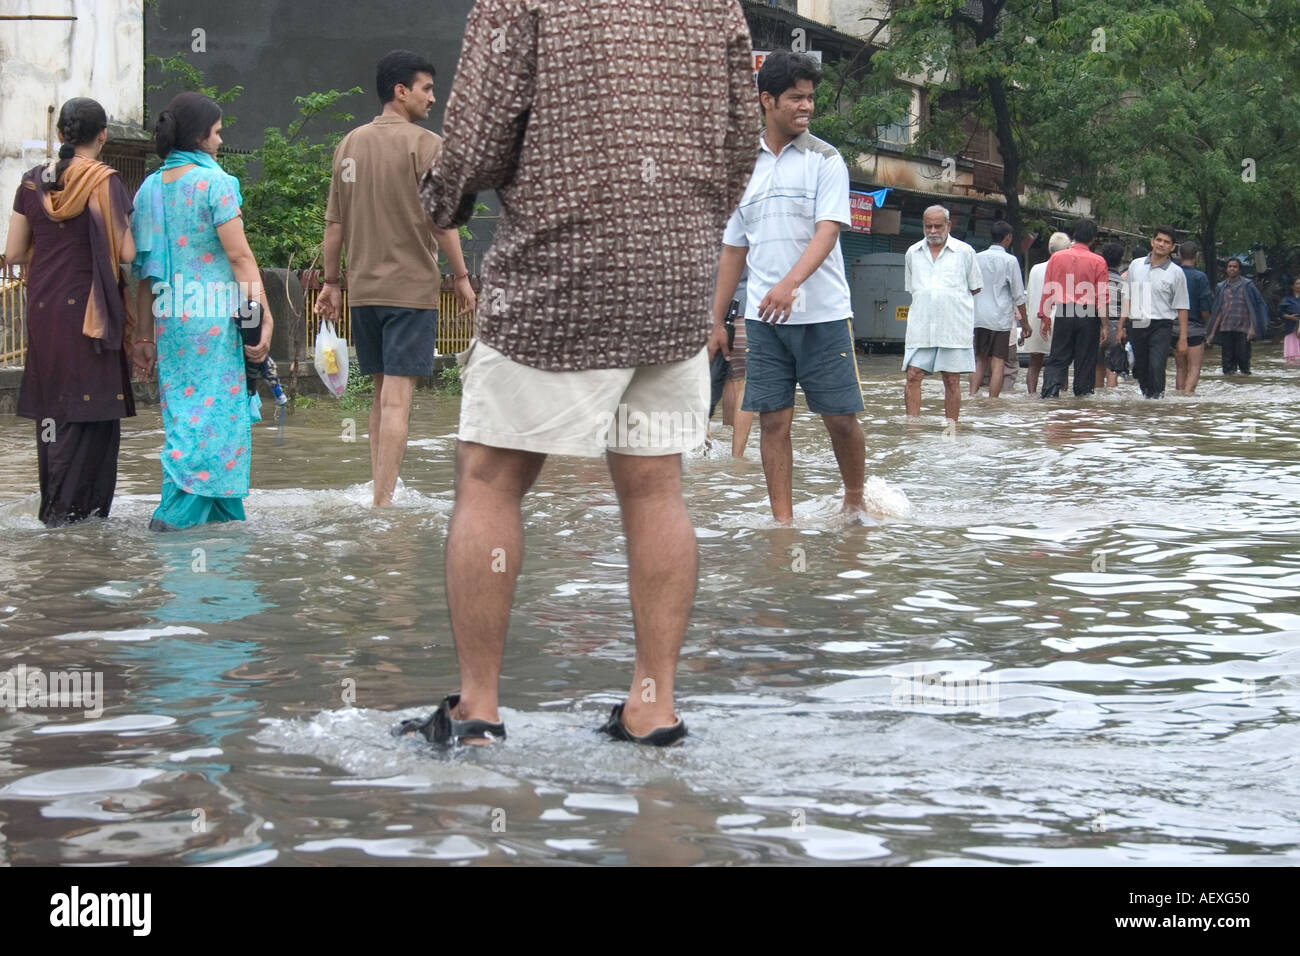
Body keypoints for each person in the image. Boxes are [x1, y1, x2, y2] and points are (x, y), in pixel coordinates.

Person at [405, 0, 760, 747]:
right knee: (656, 483)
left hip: (560, 267)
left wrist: (443, 199)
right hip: (676, 275)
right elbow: (741, 144)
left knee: (490, 473)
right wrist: (685, 223)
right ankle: (651, 708)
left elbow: (476, 138)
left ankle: (478, 710)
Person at [315, 51, 475, 507]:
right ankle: (384, 503)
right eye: (427, 88)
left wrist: (331, 284)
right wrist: (461, 277)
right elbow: (443, 223)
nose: (433, 96)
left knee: (381, 395)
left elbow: (335, 226)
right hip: (409, 292)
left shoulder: (349, 144)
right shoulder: (427, 145)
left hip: (364, 292)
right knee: (398, 401)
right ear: (401, 92)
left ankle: (378, 489)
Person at [711, 50, 864, 524]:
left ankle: (855, 503)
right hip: (762, 321)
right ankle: (783, 523)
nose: (806, 106)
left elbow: (828, 231)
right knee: (773, 421)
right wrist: (715, 318)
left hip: (823, 315)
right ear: (767, 100)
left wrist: (789, 284)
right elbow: (734, 249)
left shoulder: (825, 159)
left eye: (811, 98)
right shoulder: (742, 167)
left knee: (839, 418)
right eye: (796, 98)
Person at [130, 91, 272, 530]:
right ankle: (175, 517)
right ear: (198, 135)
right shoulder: (217, 184)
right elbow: (241, 258)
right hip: (216, 319)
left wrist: (143, 336)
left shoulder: (150, 188)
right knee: (217, 418)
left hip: (173, 318)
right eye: (216, 130)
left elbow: (143, 270)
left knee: (186, 417)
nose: (221, 136)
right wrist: (262, 312)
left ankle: (225, 520)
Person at [2, 98, 138, 526]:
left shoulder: (31, 182)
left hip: (45, 310)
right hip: (91, 311)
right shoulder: (105, 181)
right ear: (103, 135)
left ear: (61, 134)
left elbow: (13, 252)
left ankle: (55, 511)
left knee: (54, 410)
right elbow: (128, 252)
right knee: (94, 410)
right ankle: (86, 514)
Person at [902, 205, 982, 422]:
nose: (933, 231)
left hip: (953, 326)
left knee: (951, 379)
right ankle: (912, 429)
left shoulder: (965, 252)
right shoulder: (912, 253)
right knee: (913, 375)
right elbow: (913, 289)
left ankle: (952, 429)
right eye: (928, 226)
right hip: (921, 326)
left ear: (948, 225)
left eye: (938, 226)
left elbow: (975, 287)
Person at [1039, 219, 1108, 398]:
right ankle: (1082, 401)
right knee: (1085, 362)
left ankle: (1049, 396)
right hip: (1088, 315)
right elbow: (1102, 297)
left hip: (1064, 311)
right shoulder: (1098, 261)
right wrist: (1105, 325)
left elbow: (1048, 289)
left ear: (1074, 235)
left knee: (1057, 359)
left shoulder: (1056, 257)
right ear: (1093, 239)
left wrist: (1045, 317)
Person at [1119, 225, 1188, 399]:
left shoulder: (1176, 273)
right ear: (1152, 241)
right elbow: (1128, 295)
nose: (1161, 244)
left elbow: (1182, 306)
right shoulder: (1135, 265)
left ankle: (1157, 403)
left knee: (1157, 366)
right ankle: (1147, 402)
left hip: (1161, 325)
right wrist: (1121, 325)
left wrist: (1183, 338)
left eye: (1166, 242)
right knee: (1141, 368)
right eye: (1158, 240)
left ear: (1172, 247)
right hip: (1137, 323)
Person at [969, 220, 1029, 399]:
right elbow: (1019, 295)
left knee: (979, 360)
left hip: (979, 318)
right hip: (1000, 320)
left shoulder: (977, 258)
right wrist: (1025, 324)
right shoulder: (1010, 261)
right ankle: (993, 402)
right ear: (1008, 238)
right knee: (998, 363)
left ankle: (972, 396)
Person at [1022, 231, 1070, 394]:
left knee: (1034, 364)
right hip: (1059, 320)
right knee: (1061, 364)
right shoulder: (1068, 271)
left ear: (1050, 250)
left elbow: (1029, 295)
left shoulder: (1036, 268)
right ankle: (1059, 396)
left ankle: (1032, 396)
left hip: (1037, 318)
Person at [1207, 257, 1269, 376]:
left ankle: (1244, 388)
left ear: (1239, 270)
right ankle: (1230, 389)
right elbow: (1218, 311)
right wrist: (1212, 333)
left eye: (1235, 267)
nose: (1232, 269)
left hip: (1243, 329)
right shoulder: (1221, 287)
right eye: (1230, 266)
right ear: (1226, 269)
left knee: (1244, 363)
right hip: (1226, 328)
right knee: (1227, 365)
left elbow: (1253, 308)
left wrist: (1252, 328)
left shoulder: (1247, 285)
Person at [1174, 241, 1212, 393]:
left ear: (1179, 255)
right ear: (1197, 256)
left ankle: (1178, 401)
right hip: (1195, 327)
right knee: (1194, 367)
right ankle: (1187, 400)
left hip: (1175, 327)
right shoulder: (1200, 277)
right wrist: (1207, 324)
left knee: (1180, 369)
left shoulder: (1174, 274)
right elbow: (1205, 306)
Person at [1097, 241, 1127, 388]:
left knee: (1097, 364)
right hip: (1116, 326)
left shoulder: (1096, 280)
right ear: (1121, 260)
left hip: (1097, 324)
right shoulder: (1123, 283)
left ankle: (1096, 396)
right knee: (1113, 367)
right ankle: (1110, 400)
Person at [1280, 276, 1300, 365]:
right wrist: (1290, 317)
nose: (1299, 285)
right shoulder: (1286, 299)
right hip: (1291, 328)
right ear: (1292, 286)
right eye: (1297, 283)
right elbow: (1280, 313)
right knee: (1292, 358)